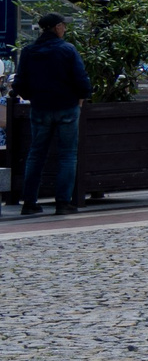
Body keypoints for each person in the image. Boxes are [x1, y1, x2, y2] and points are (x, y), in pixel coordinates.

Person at [12, 13, 89, 216]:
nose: (65, 29)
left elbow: (19, 83)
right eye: (63, 25)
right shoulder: (67, 50)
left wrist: (33, 97)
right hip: (67, 107)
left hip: (40, 108)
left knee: (36, 154)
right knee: (67, 155)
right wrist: (81, 97)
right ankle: (63, 203)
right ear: (57, 27)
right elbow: (81, 79)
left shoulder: (29, 51)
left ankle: (29, 203)